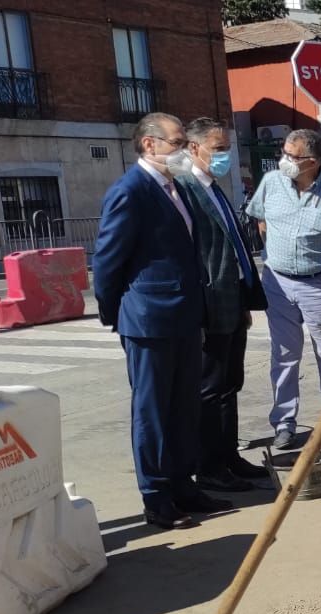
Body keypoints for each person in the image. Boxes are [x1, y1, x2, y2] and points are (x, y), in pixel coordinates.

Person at [92, 112, 231, 530]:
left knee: (183, 407)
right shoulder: (130, 192)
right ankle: (156, 495)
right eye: (176, 142)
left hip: (185, 316)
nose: (183, 150)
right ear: (149, 145)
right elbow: (106, 262)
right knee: (152, 411)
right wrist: (116, 311)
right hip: (149, 319)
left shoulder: (176, 188)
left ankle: (182, 483)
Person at [246, 129, 321, 449]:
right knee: (284, 355)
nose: (283, 160)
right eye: (284, 152)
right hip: (278, 282)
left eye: (291, 156)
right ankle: (284, 422)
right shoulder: (271, 184)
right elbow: (261, 222)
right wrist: (276, 254)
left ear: (312, 162)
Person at [173, 117, 270, 492]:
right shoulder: (185, 190)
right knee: (210, 389)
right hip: (210, 306)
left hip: (232, 302)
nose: (224, 155)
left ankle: (229, 457)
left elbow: (232, 246)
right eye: (218, 149)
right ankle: (210, 466)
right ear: (194, 149)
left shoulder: (214, 187)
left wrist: (245, 299)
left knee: (230, 384)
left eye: (227, 148)